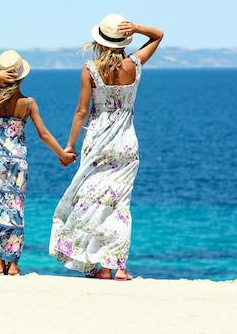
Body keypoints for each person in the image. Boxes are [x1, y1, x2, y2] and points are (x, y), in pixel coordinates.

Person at [49, 14, 164, 280]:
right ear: (125, 39)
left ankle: (100, 266)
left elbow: (81, 111)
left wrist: (69, 146)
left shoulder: (90, 69)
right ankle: (119, 267)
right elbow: (158, 35)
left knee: (92, 201)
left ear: (99, 41)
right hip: (126, 142)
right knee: (120, 205)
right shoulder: (134, 64)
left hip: (98, 142)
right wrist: (137, 27)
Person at [0, 50, 77, 276]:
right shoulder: (28, 103)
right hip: (17, 165)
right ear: (22, 77)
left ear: (1, 76)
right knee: (14, 209)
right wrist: (62, 155)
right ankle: (12, 264)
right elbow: (43, 134)